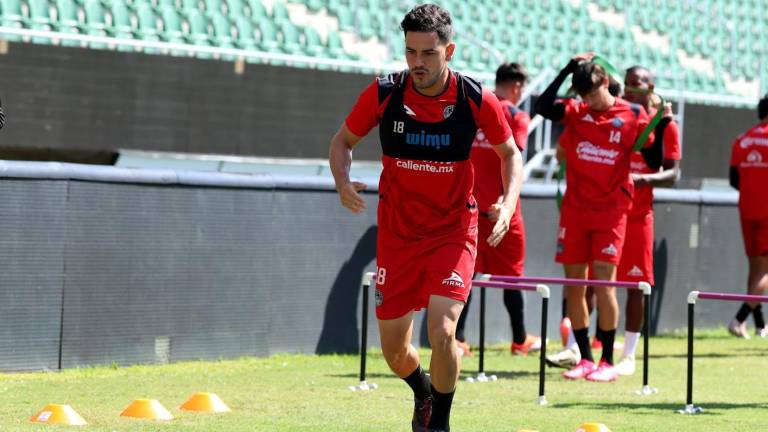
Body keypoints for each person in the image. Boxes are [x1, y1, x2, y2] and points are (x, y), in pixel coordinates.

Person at [328, 4, 523, 431]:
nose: (417, 63)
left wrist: (507, 205)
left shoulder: (475, 98)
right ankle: (423, 392)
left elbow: (511, 155)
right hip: (397, 236)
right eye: (410, 52)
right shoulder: (384, 94)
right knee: (395, 352)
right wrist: (342, 182)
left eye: (427, 54)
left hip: (453, 231)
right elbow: (342, 142)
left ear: (448, 50)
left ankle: (441, 423)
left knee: (442, 330)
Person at [535, 53, 660, 382]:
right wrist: (566, 68)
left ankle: (607, 360)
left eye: (592, 93)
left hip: (611, 211)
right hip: (575, 211)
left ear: (606, 83)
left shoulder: (632, 114)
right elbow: (543, 107)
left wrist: (663, 121)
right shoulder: (578, 112)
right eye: (583, 96)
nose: (588, 100)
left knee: (604, 283)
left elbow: (655, 157)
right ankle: (585, 359)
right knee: (575, 286)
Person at [455, 62, 541, 357]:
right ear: (517, 86)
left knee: (464, 275)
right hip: (504, 211)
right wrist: (505, 201)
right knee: (512, 277)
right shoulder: (516, 116)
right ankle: (519, 340)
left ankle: (458, 339)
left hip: (469, 208)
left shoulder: (474, 111)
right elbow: (513, 159)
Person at [612, 66, 681, 375]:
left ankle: (629, 354)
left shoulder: (666, 125)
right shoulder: (621, 115)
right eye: (627, 84)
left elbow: (673, 173)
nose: (631, 89)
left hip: (639, 215)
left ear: (651, 86)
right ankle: (588, 347)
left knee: (637, 285)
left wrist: (641, 179)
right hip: (609, 213)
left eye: (637, 84)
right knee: (595, 280)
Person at [728, 93, 768, 339]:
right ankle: (738, 318)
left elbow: (734, 180)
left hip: (747, 211)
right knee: (763, 273)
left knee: (756, 270)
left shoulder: (742, 140)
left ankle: (760, 325)